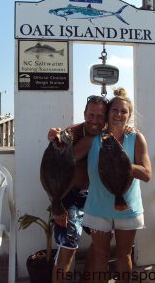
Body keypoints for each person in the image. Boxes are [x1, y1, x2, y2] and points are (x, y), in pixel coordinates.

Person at [73, 88, 152, 283]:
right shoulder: (93, 139)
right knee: (100, 256)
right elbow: (69, 157)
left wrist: (122, 164)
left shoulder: (136, 138)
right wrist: (57, 136)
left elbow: (147, 174)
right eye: (114, 110)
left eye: (123, 111)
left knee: (124, 256)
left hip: (128, 206)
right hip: (98, 207)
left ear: (129, 115)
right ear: (108, 114)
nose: (118, 114)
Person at [47, 95, 108, 283]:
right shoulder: (71, 133)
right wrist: (56, 205)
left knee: (101, 244)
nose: (95, 120)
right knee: (68, 247)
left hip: (94, 196)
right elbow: (51, 170)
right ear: (84, 114)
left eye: (100, 116)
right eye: (91, 115)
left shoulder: (110, 133)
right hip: (69, 196)